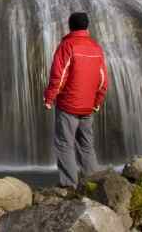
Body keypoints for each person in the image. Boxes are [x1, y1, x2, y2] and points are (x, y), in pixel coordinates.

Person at [43, 11, 108, 188]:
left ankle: (69, 185)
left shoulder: (67, 46)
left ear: (70, 26)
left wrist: (50, 97)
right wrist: (97, 102)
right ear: (87, 26)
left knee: (64, 144)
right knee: (86, 146)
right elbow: (103, 80)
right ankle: (94, 183)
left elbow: (59, 75)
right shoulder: (96, 48)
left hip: (68, 105)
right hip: (88, 106)